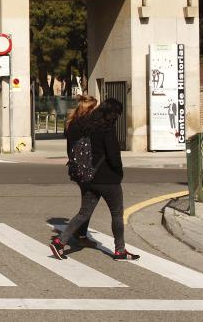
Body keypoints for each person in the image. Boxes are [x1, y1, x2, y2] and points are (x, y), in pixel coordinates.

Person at [50, 98, 140, 261]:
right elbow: (113, 155)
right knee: (117, 214)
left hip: (88, 177)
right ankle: (120, 250)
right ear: (113, 113)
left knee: (83, 213)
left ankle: (59, 242)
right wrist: (119, 172)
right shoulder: (107, 127)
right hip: (108, 179)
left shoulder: (84, 124)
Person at [62, 94, 99, 245]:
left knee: (88, 200)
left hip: (76, 166)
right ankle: (65, 238)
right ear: (90, 108)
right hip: (87, 167)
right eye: (96, 108)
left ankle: (81, 234)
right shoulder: (87, 124)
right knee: (89, 203)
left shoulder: (72, 122)